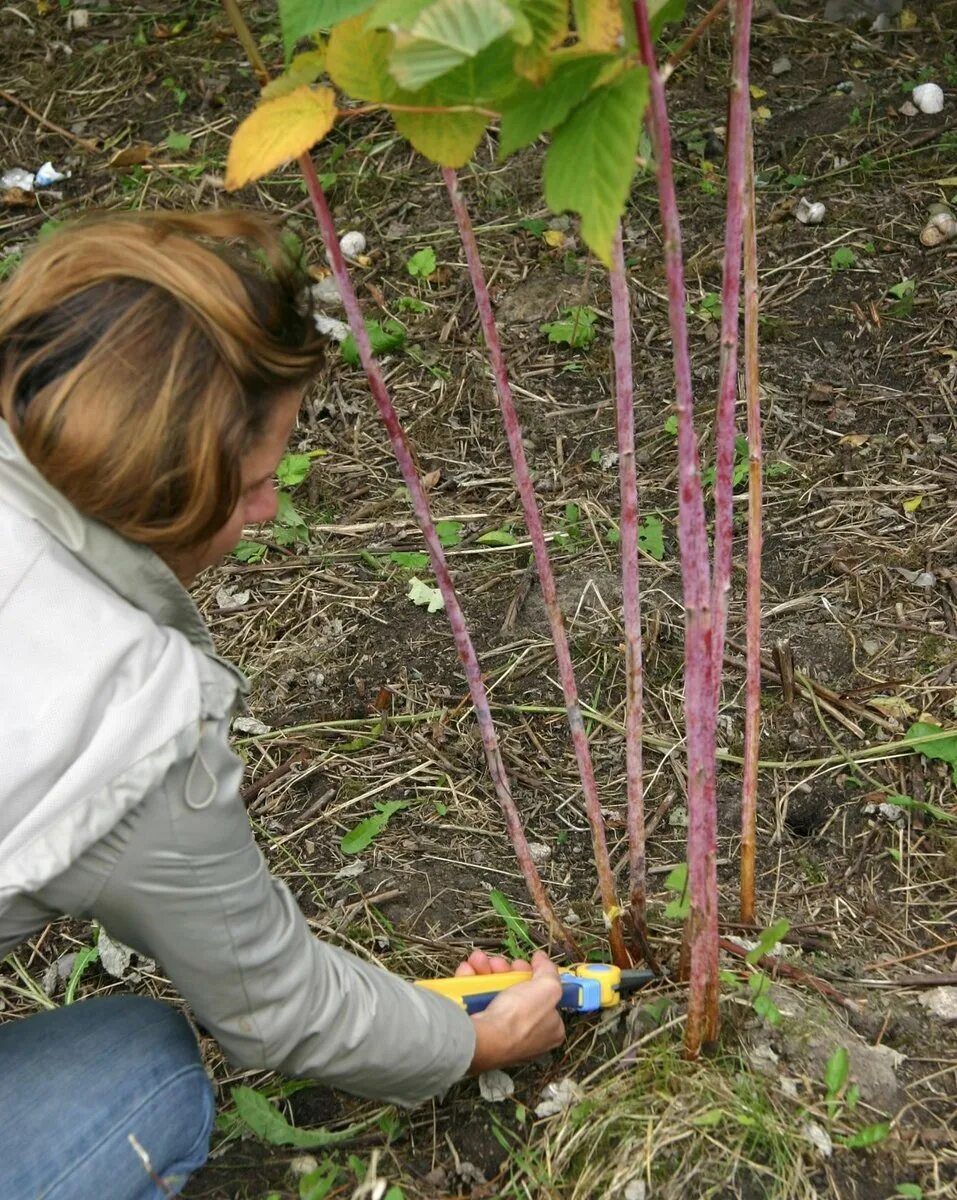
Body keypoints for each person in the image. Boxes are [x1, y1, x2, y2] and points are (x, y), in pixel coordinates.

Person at [0, 212, 566, 1200]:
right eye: (257, 483)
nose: (269, 513)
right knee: (145, 1073)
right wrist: (469, 1040)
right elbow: (275, 1003)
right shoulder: (129, 724)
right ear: (171, 493)